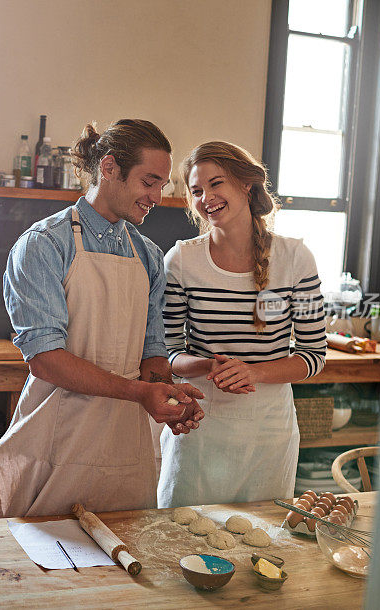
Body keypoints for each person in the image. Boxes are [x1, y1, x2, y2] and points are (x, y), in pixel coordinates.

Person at [0, 119, 205, 518]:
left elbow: (153, 354)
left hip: (127, 443)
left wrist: (169, 395)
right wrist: (140, 393)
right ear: (108, 169)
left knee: (128, 566)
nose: (157, 196)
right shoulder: (44, 245)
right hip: (59, 437)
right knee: (50, 568)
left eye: (162, 185)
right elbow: (46, 360)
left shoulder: (148, 255)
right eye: (148, 182)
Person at [158, 141, 327, 508]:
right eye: (197, 190)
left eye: (216, 184)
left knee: (261, 546)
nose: (207, 198)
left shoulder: (295, 257)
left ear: (246, 183)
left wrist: (254, 373)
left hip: (267, 429)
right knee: (183, 538)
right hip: (199, 422)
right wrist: (207, 365)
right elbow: (168, 352)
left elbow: (314, 355)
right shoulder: (182, 261)